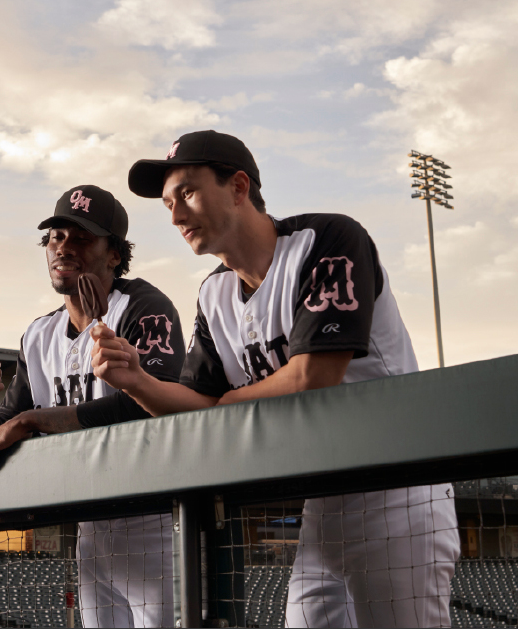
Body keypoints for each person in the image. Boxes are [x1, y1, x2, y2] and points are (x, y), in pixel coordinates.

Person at [90, 130, 460, 628]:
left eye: (189, 193)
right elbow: (201, 404)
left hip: (400, 492)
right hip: (322, 506)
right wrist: (136, 380)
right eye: (169, 204)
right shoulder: (213, 294)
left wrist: (229, 403)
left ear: (238, 187)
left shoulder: (327, 240)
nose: (176, 216)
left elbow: (314, 375)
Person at [0, 184, 185, 628]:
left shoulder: (143, 307)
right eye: (56, 237)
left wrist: (28, 421)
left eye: (81, 238)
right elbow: (8, 423)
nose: (63, 247)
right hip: (87, 529)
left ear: (115, 255)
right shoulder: (38, 334)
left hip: (155, 521)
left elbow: (150, 402)